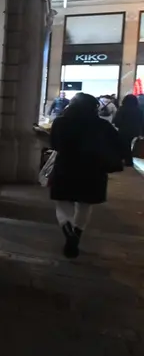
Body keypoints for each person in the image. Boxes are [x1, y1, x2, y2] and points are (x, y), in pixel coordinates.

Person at [48, 92, 123, 258]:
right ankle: (77, 235)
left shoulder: (60, 122)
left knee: (62, 204)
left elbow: (54, 144)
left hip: (66, 168)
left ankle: (69, 236)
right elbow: (117, 145)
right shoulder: (102, 126)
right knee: (84, 205)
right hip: (93, 171)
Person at [112, 93, 143, 160]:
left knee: (124, 145)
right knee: (130, 145)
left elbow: (117, 120)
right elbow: (141, 121)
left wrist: (119, 125)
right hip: (135, 130)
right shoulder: (139, 110)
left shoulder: (122, 109)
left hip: (124, 130)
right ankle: (128, 160)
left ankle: (125, 159)